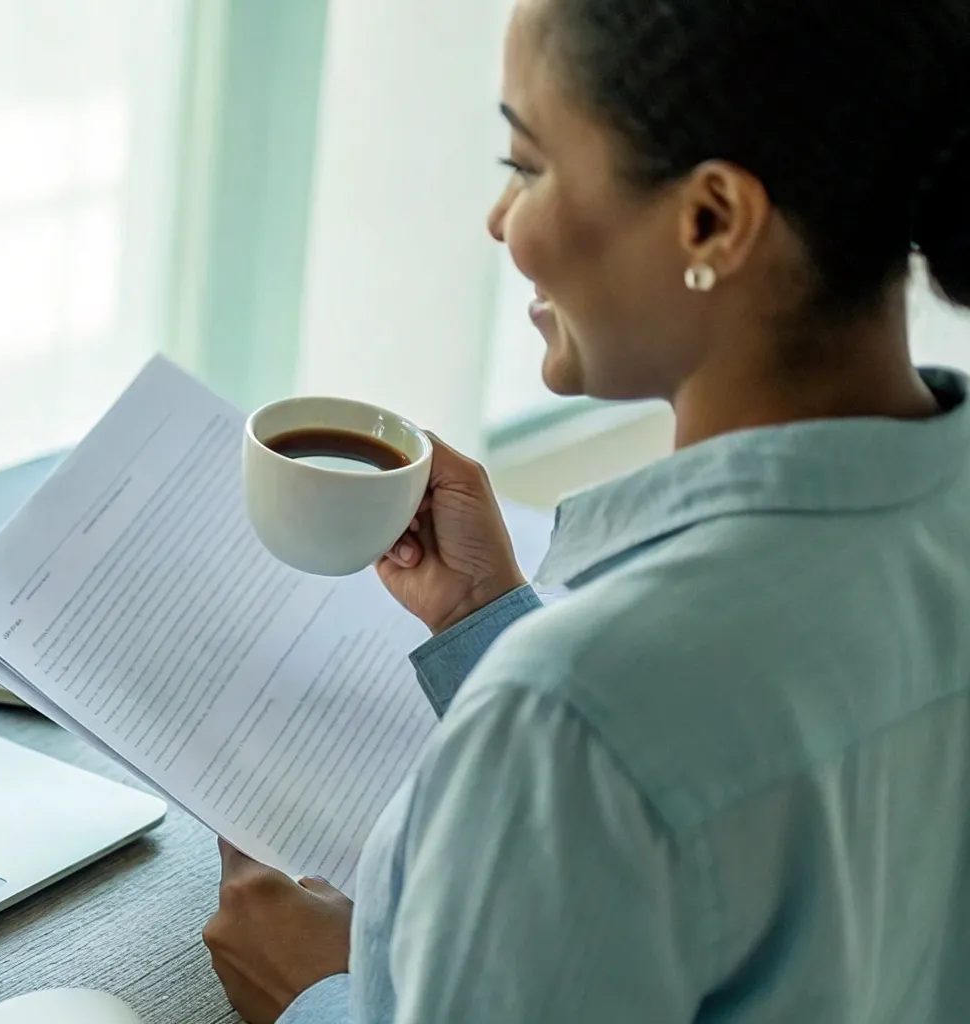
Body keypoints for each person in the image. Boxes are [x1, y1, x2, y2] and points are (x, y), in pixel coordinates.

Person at [200, 0, 970, 1021]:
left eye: (525, 167)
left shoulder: (574, 718)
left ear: (710, 220)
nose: (498, 220)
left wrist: (321, 998)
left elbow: (626, 738)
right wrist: (489, 630)